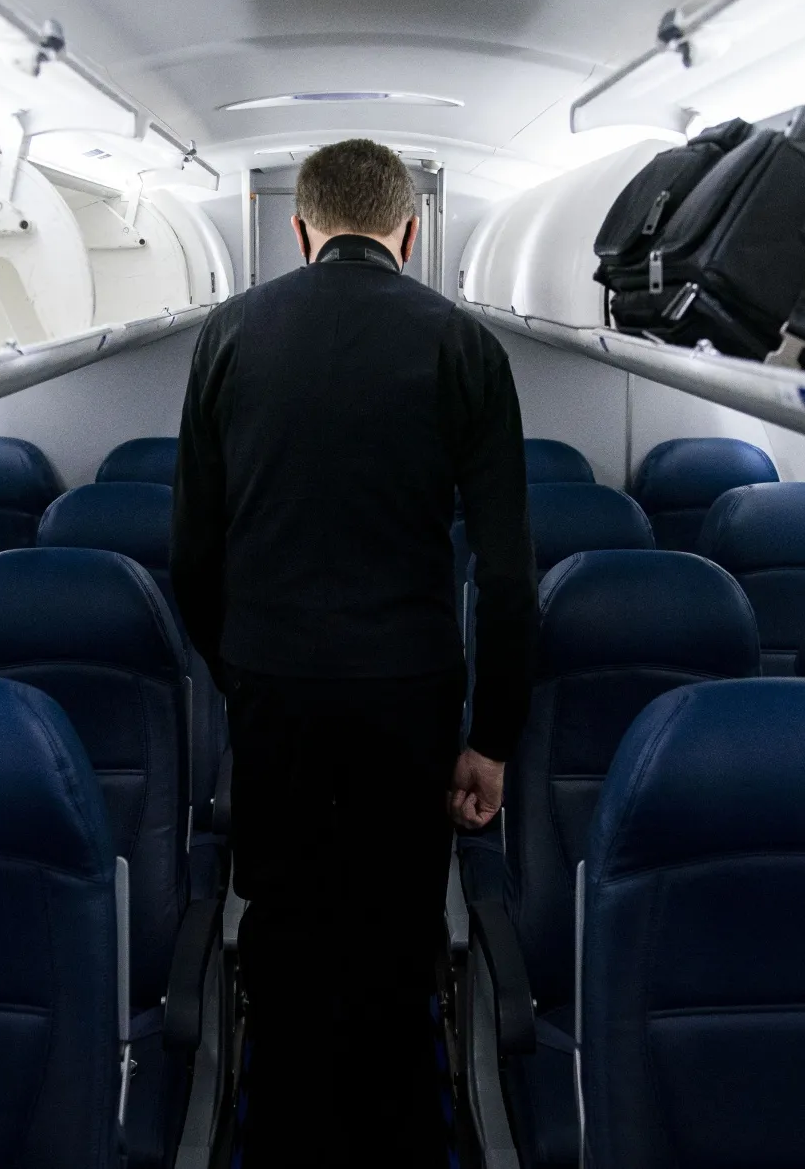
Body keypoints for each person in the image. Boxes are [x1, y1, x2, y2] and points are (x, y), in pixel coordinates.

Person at [172, 139, 537, 1166]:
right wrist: (491, 738)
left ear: (299, 228)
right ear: (410, 232)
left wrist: (237, 670)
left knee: (285, 932)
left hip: (273, 684)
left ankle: (281, 1137)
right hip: (408, 690)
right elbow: (506, 577)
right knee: (392, 936)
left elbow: (192, 550)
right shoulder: (461, 345)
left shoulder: (228, 333)